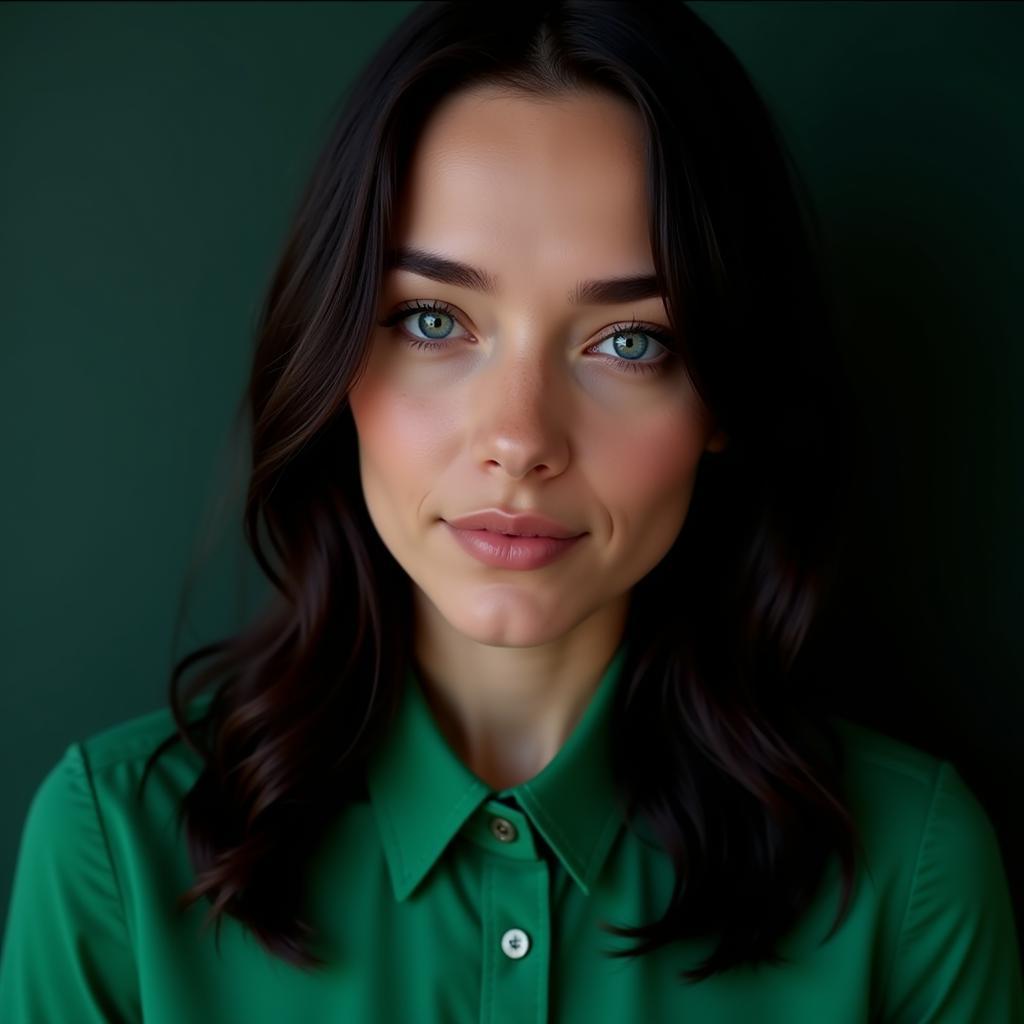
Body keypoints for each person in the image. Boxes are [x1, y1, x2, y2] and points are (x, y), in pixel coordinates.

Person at [2, 2, 1021, 1021]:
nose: (519, 437)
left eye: (629, 340)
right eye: (432, 319)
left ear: (724, 402)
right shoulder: (115, 853)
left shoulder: (907, 873)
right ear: (334, 357)